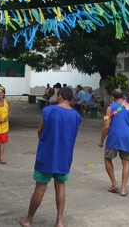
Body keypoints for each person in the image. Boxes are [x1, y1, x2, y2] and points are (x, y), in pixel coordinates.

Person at [20, 87, 82, 227]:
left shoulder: (50, 110)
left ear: (59, 96)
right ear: (71, 99)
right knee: (60, 186)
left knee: (40, 188)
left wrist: (46, 143)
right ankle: (60, 220)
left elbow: (40, 131)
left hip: (47, 155)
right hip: (64, 156)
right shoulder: (76, 116)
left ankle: (28, 220)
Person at [98, 89, 129, 197]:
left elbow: (106, 126)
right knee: (126, 162)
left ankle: (114, 184)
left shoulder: (111, 107)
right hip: (128, 137)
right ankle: (123, 189)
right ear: (123, 97)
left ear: (113, 98)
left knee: (107, 158)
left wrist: (101, 140)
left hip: (114, 137)